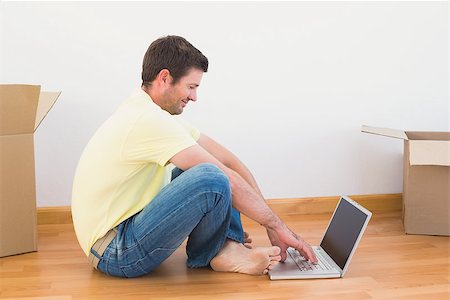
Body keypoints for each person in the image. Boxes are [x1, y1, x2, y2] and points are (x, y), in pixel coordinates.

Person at [71, 35, 317, 278]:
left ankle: (226, 248)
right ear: (164, 78)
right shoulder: (147, 121)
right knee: (211, 176)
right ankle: (218, 251)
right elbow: (224, 177)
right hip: (115, 252)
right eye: (191, 87)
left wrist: (272, 224)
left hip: (120, 236)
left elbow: (230, 162)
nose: (194, 97)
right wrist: (277, 227)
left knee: (207, 169)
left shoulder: (151, 114)